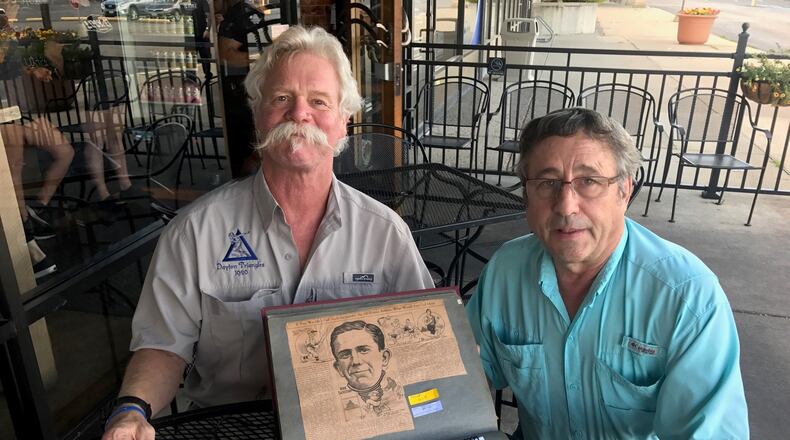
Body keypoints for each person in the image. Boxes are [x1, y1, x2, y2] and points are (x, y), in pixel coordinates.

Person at [102, 25, 433, 439]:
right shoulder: (196, 233)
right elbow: (163, 344)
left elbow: (421, 344)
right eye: (281, 99)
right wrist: (132, 409)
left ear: (343, 123)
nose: (299, 114)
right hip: (228, 429)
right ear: (258, 115)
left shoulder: (385, 233)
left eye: (319, 101)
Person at [466, 108, 748, 439]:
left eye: (589, 181)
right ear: (527, 193)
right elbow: (466, 377)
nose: (566, 206)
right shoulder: (506, 271)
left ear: (624, 190)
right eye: (547, 182)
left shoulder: (687, 297)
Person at [330, 320, 403, 417]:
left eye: (363, 350)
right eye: (345, 355)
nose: (356, 361)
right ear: (339, 368)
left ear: (384, 357)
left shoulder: (397, 390)